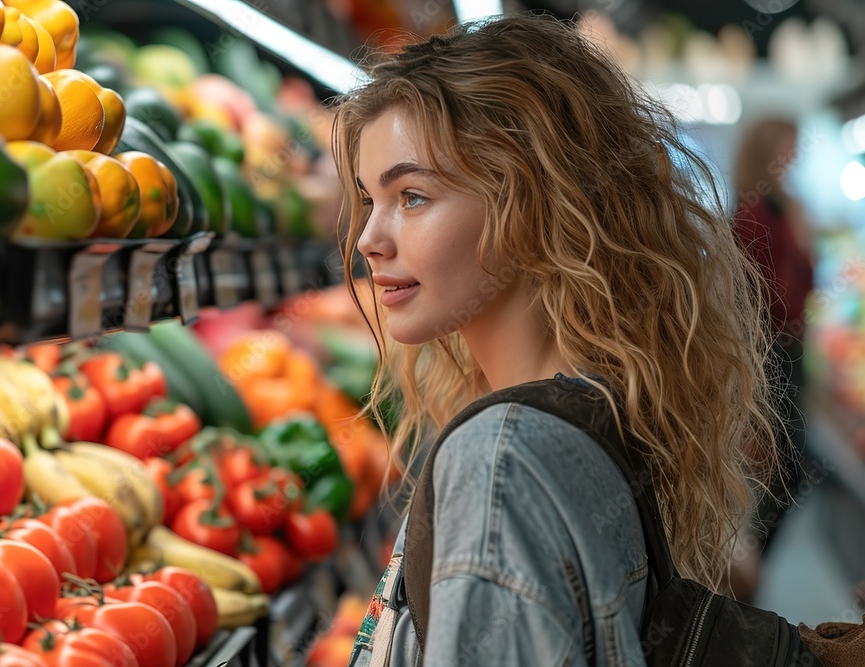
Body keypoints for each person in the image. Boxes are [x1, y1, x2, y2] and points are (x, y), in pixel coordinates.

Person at [330, 12, 784, 666]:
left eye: (412, 197)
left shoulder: (500, 458)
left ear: (530, 205)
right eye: (369, 198)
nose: (370, 238)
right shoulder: (589, 412)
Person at [730, 118, 816, 598]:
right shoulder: (753, 214)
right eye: (788, 148)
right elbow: (778, 299)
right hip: (769, 356)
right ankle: (749, 569)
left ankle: (750, 569)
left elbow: (803, 291)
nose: (794, 157)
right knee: (784, 468)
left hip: (787, 351)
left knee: (785, 469)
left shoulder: (778, 209)